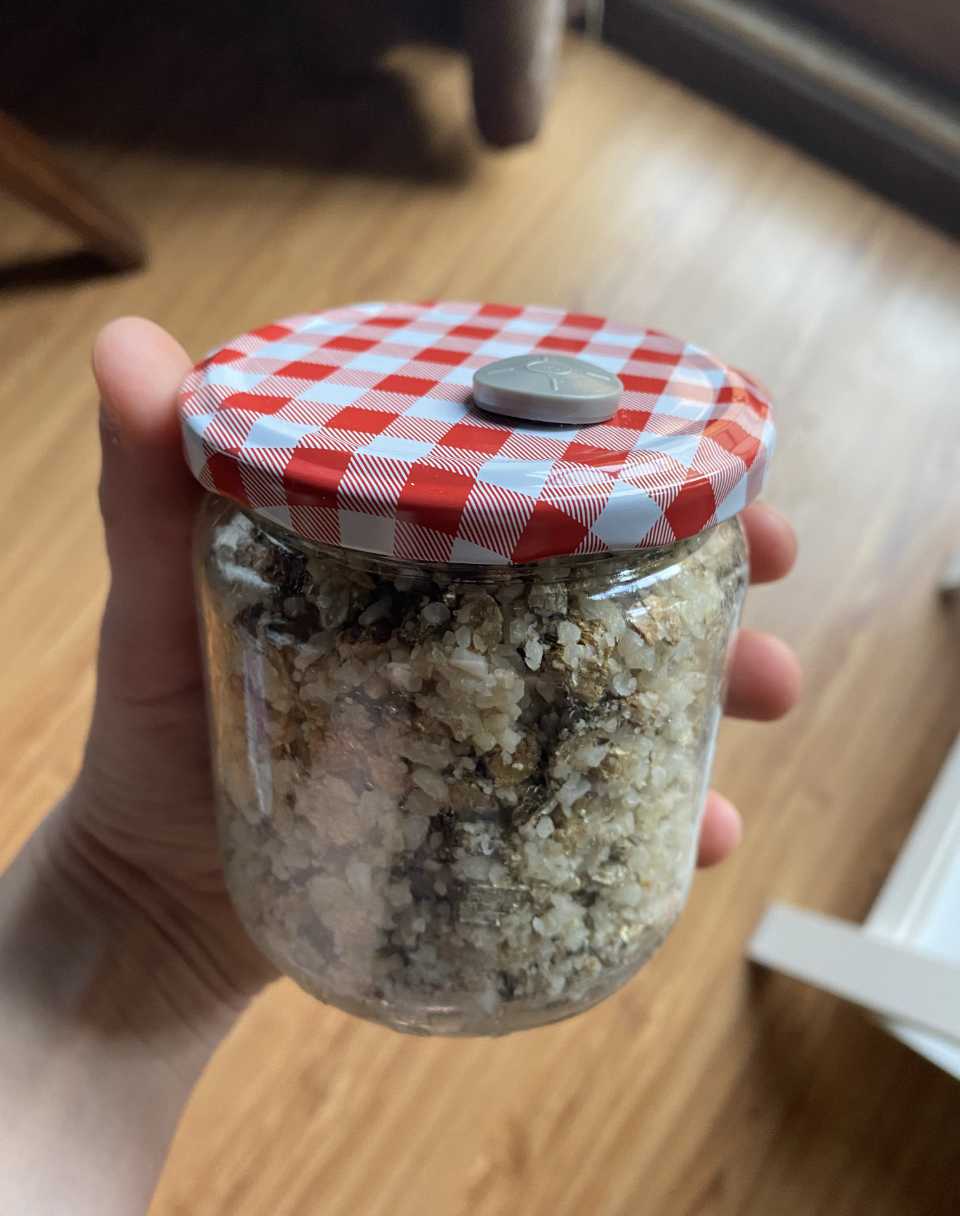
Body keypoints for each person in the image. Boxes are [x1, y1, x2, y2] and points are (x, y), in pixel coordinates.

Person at [0, 318, 801, 1215]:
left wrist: (113, 901)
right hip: (301, 565)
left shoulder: (685, 567)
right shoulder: (257, 548)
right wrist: (117, 885)